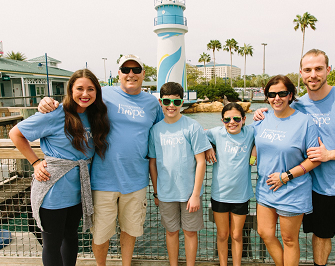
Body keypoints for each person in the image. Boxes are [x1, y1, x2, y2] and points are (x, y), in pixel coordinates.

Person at [254, 49, 335, 266]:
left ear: (328, 70)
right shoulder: (298, 105)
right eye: (308, 70)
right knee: (321, 237)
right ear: (301, 73)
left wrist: (330, 154)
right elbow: (279, 110)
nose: (313, 74)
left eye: (318, 69)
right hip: (318, 188)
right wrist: (262, 112)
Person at [37, 55, 164, 266]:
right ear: (119, 73)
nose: (130, 74)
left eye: (136, 69)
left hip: (136, 181)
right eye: (125, 69)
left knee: (130, 230)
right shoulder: (103, 93)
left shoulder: (152, 103)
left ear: (143, 73)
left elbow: (164, 130)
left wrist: (201, 146)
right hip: (102, 180)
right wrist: (47, 102)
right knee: (101, 234)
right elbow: (78, 99)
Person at [9, 69, 110, 266]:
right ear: (70, 90)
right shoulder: (55, 114)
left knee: (71, 237)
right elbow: (16, 133)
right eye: (79, 89)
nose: (85, 94)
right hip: (53, 189)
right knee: (52, 243)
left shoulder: (94, 115)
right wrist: (36, 162)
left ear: (97, 92)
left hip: (77, 191)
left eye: (91, 89)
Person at [252, 75, 320, 266]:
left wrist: (286, 176)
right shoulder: (261, 119)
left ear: (290, 95)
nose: (277, 98)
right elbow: (241, 136)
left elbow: (314, 160)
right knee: (264, 233)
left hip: (293, 189)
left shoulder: (305, 122)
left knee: (289, 240)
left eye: (282, 93)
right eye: (271, 94)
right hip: (266, 189)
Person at [148, 82, 211, 266]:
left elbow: (201, 162)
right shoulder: (155, 130)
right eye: (167, 101)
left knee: (190, 232)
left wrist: (195, 195)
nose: (171, 106)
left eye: (176, 102)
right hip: (166, 193)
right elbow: (153, 163)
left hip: (189, 194)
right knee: (171, 232)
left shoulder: (193, 126)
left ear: (182, 102)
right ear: (160, 102)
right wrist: (156, 192)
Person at [204, 102, 254, 266]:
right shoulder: (216, 133)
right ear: (222, 120)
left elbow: (269, 127)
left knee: (237, 235)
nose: (231, 122)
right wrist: (207, 148)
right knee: (222, 235)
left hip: (241, 195)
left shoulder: (250, 133)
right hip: (220, 194)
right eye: (227, 119)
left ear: (244, 119)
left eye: (236, 119)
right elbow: (197, 133)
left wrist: (255, 149)